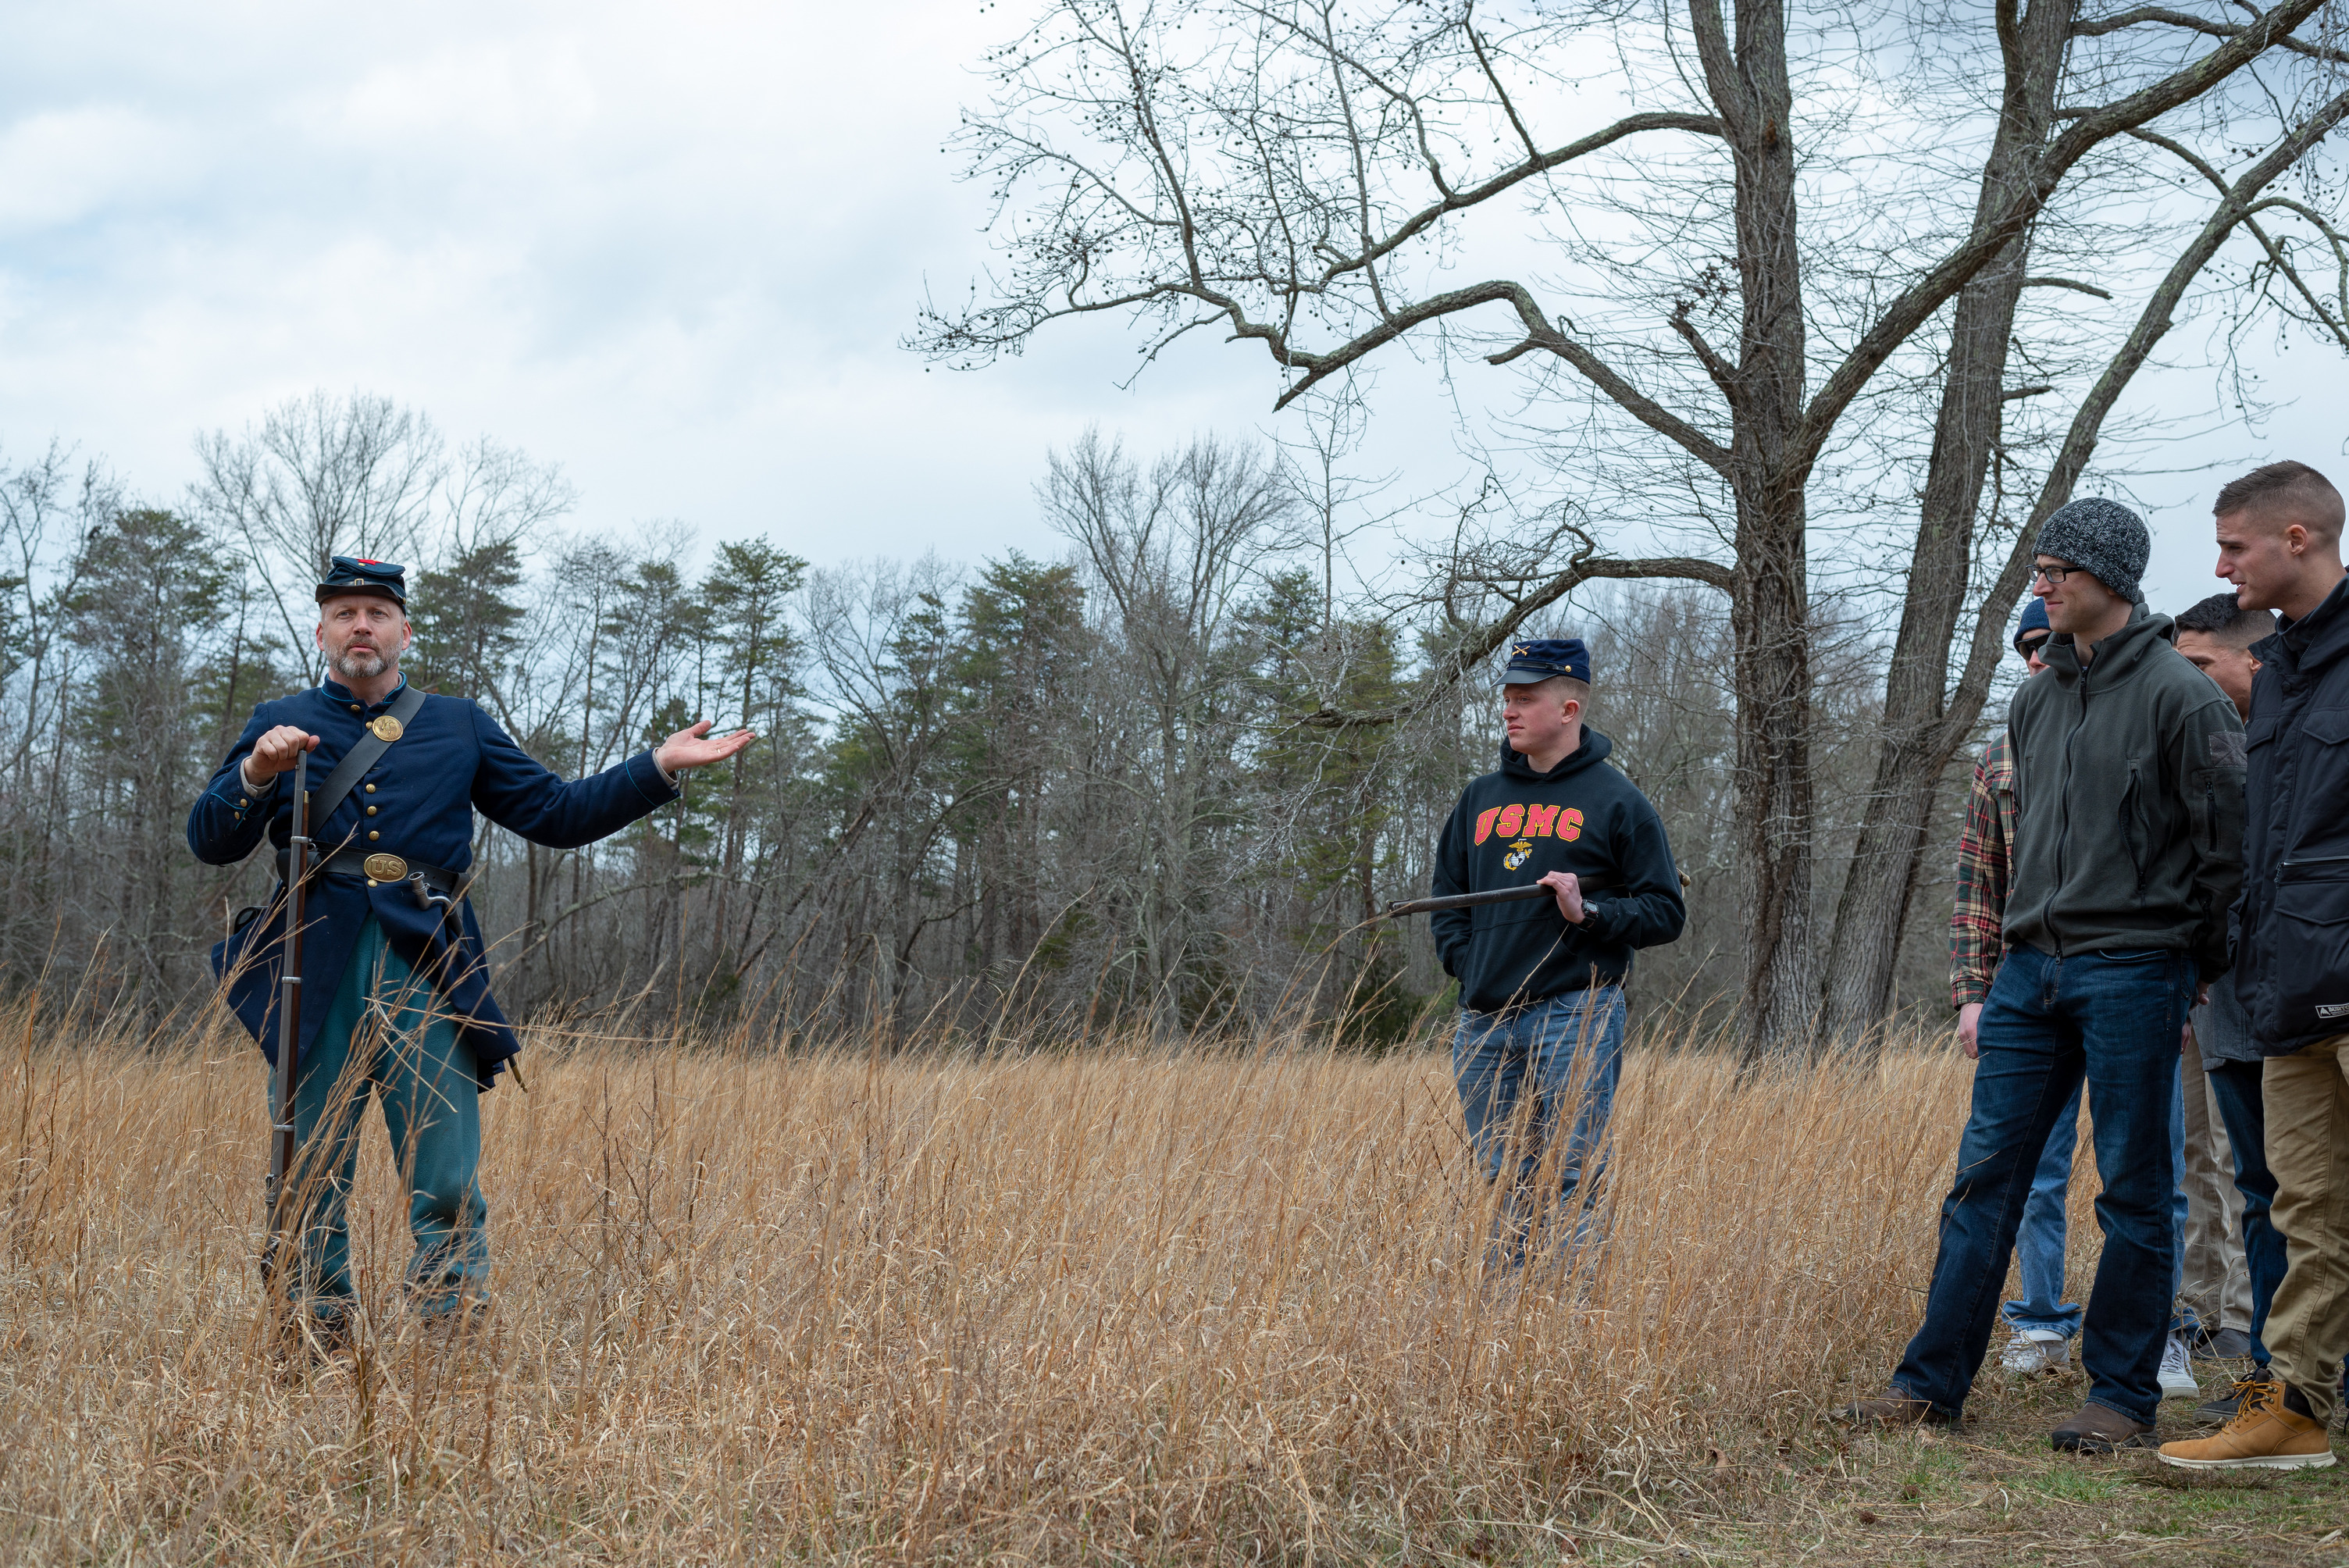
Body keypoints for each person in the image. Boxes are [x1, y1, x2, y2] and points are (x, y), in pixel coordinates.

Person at [188, 556, 754, 1349]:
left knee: (447, 1173)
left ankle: (449, 1333)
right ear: (321, 633)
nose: (361, 626)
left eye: (376, 614)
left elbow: (555, 811)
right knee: (309, 1167)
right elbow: (210, 841)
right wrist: (255, 770)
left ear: (403, 631)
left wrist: (655, 767)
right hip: (310, 963)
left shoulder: (457, 722)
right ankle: (314, 1328)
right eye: (345, 612)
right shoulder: (278, 720)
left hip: (425, 959)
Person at [1836, 497, 2246, 1452]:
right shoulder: (2034, 698)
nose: (2040, 582)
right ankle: (1929, 1385)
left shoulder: (2178, 696)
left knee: (2134, 1190)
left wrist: (2194, 968)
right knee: (1984, 1181)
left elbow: (2226, 848)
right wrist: (2002, 964)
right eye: (2037, 566)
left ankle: (2119, 1397)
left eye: (2055, 567)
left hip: (2135, 969)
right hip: (2028, 973)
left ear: (2107, 575)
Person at [2162, 461, 2349, 1471]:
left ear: (2297, 539)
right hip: (2287, 992)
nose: (2221, 562)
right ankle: (2296, 1414)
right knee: (2305, 1211)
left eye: (2235, 544)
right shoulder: (2279, 671)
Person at [1429, 637, 1685, 1262]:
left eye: (1525, 699)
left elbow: (1665, 911)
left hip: (1576, 1012)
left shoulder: (1617, 800)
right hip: (1484, 1021)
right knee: (1502, 1177)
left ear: (1569, 710)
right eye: (1507, 699)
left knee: (1572, 1175)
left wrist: (1588, 913)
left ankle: (1567, 1326)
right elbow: (1448, 900)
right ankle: (1505, 1330)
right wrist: (1469, 968)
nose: (1509, 711)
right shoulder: (1478, 799)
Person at [1953, 600, 2108, 1381]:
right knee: (2029, 1165)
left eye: (2046, 643)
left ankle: (2164, 1328)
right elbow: (1977, 885)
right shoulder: (1995, 756)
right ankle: (2039, 1320)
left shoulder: (2127, 727)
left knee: (2148, 1167)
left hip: (2124, 972)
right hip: (2026, 981)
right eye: (2023, 649)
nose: (2035, 659)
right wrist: (1971, 993)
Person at [2170, 593, 2279, 1414]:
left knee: (2296, 1185)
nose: (2187, 681)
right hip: (2213, 995)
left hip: (2296, 996)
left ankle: (2283, 1351)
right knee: (2233, 1174)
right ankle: (2245, 1351)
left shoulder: (2289, 738)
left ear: (2254, 658)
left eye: (2201, 665)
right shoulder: (2187, 741)